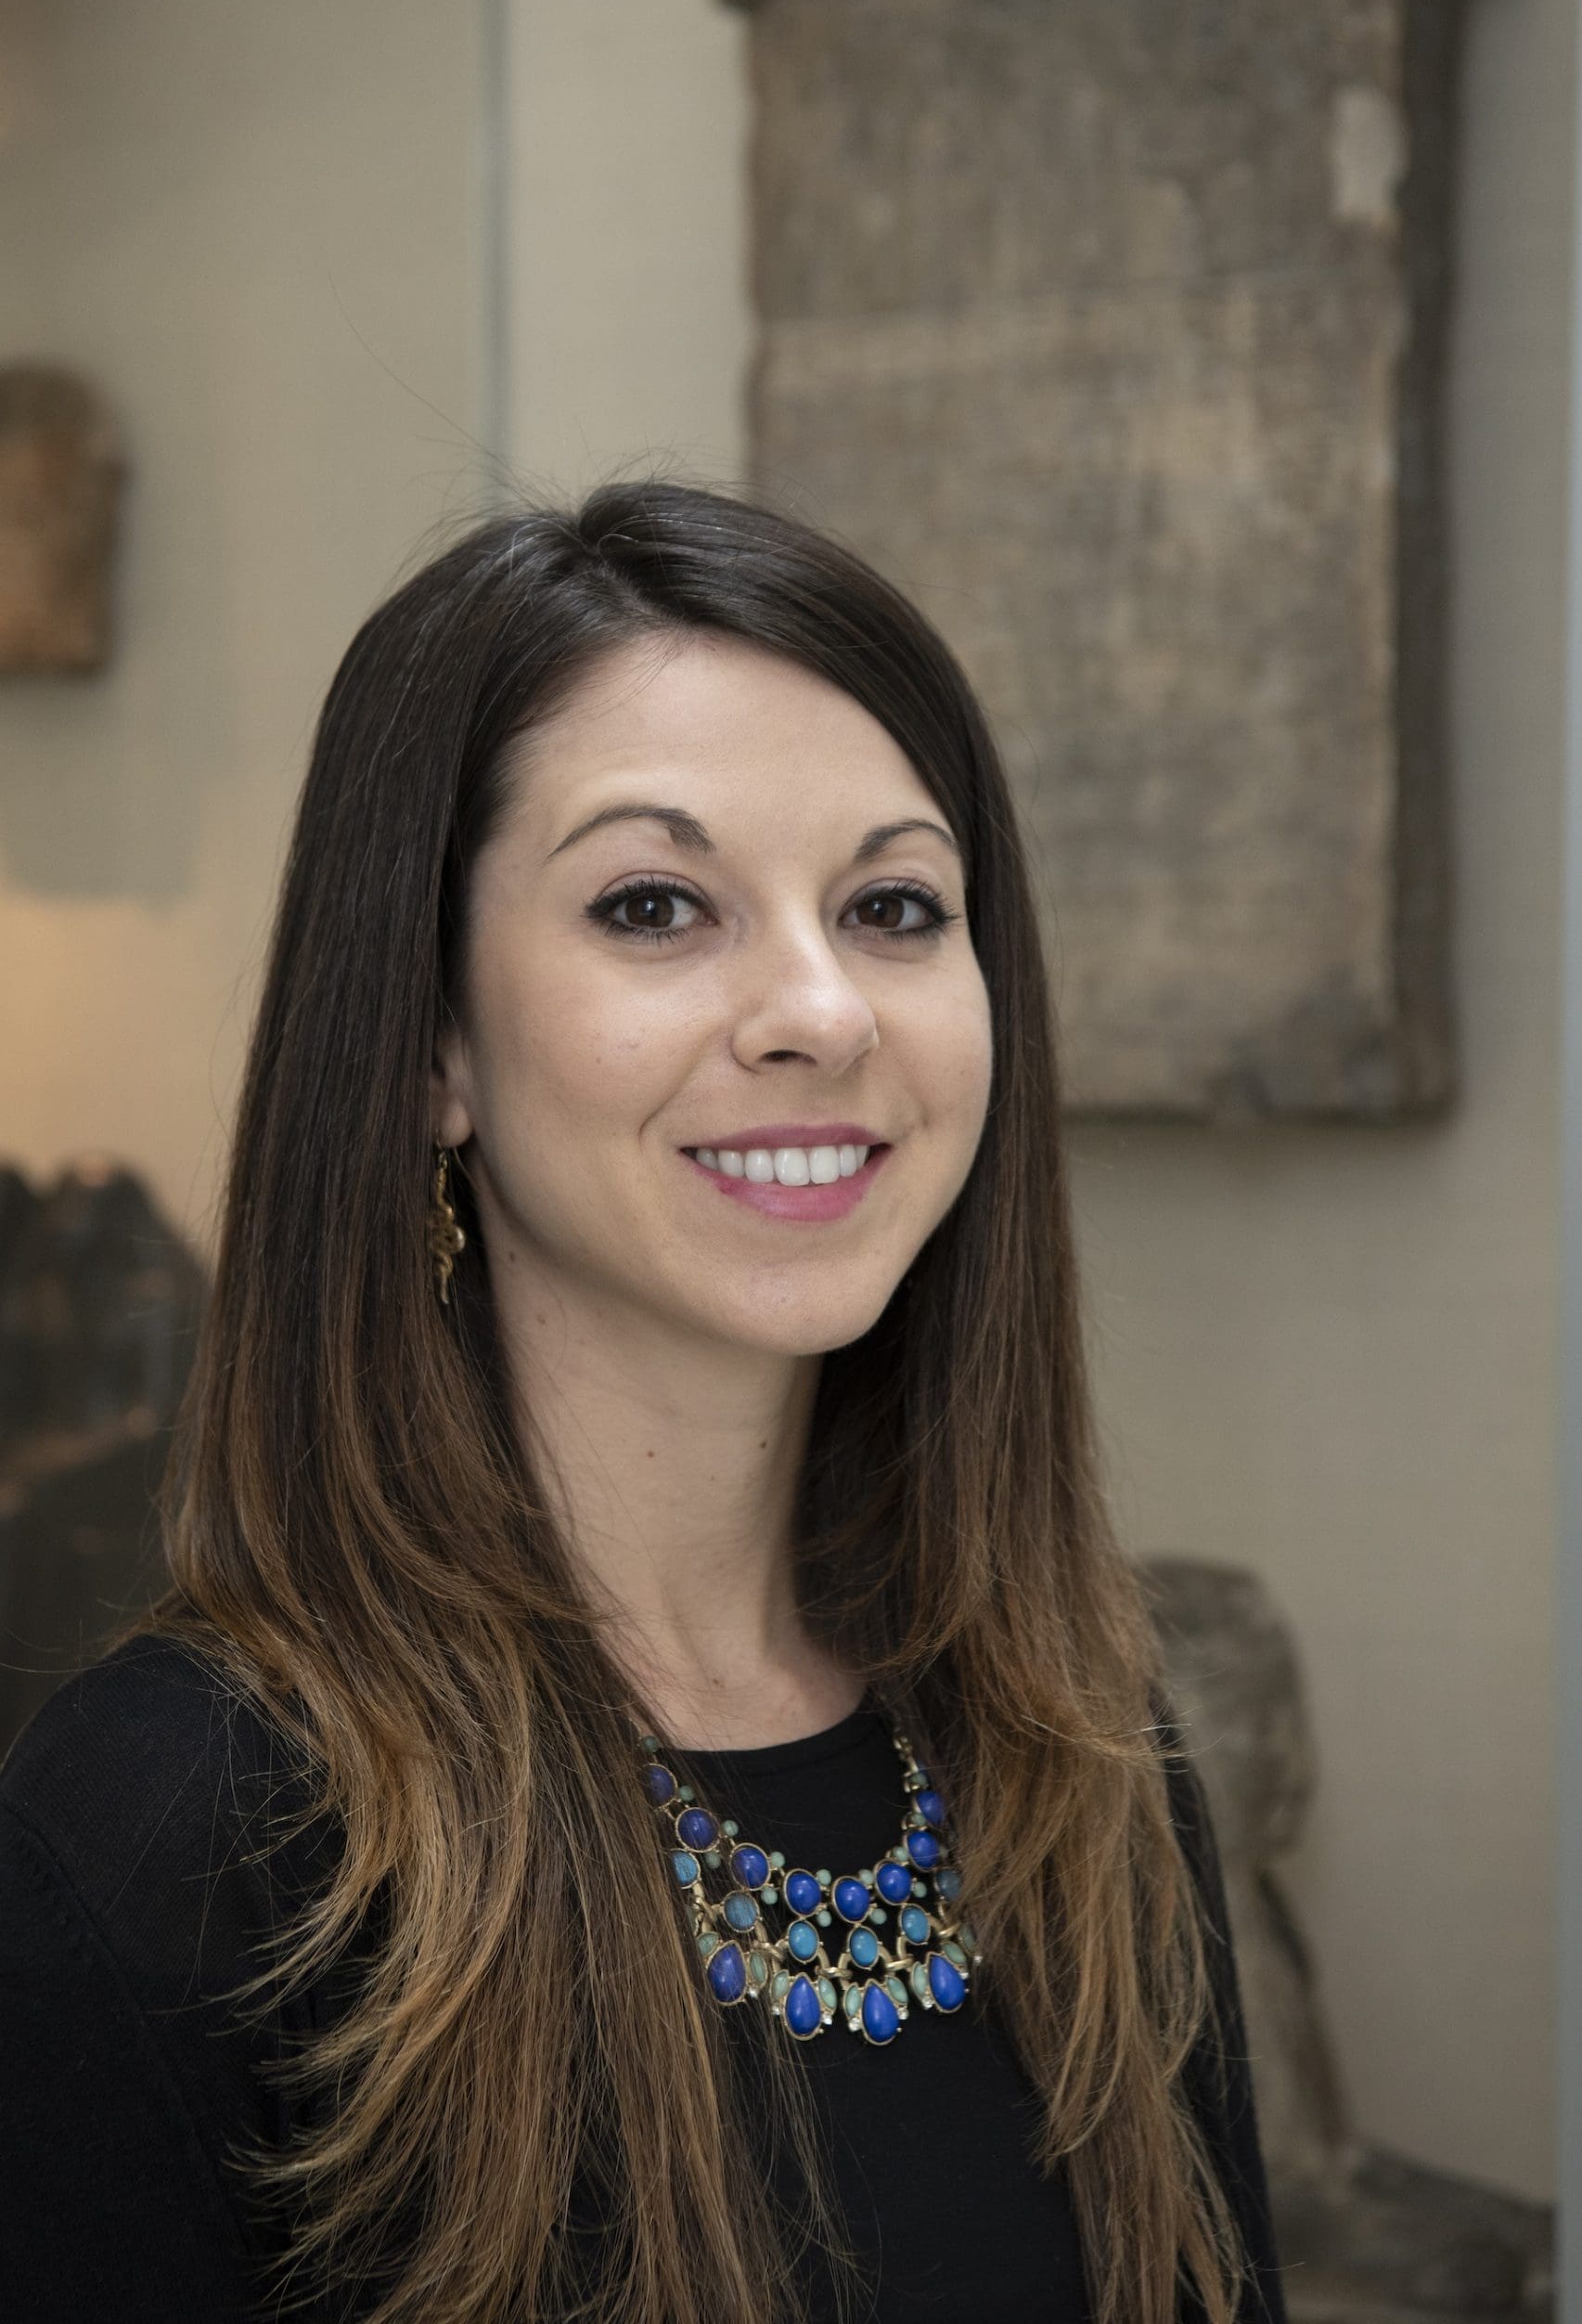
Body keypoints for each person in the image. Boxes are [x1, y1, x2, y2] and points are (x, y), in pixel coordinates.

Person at [0, 482, 1289, 2324]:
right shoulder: (163, 1833)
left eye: (896, 904)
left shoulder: (1085, 1738)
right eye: (656, 902)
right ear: (431, 1038)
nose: (820, 1006)